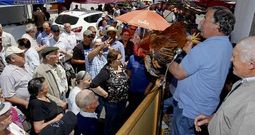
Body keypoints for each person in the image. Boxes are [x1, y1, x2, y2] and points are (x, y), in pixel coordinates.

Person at [168, 6, 235, 135]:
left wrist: (165, 59)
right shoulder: (226, 45)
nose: (201, 22)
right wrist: (191, 53)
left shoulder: (205, 48)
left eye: (205, 18)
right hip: (204, 108)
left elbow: (178, 73)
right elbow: (207, 66)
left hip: (188, 110)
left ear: (218, 25)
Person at [194, 36, 255, 135]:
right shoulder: (241, 82)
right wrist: (213, 120)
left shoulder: (252, 104)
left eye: (235, 57)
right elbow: (233, 115)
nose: (231, 60)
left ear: (251, 64)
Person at [90, 49, 129, 135]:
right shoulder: (106, 71)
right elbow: (93, 84)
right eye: (119, 59)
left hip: (122, 101)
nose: (121, 60)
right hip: (112, 103)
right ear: (112, 60)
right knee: (110, 123)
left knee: (118, 121)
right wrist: (105, 94)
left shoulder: (120, 66)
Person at [0, 46, 33, 114]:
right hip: (23, 107)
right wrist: (26, 103)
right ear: (12, 59)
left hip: (35, 101)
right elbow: (8, 96)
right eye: (21, 55)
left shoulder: (26, 66)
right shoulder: (7, 74)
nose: (24, 56)